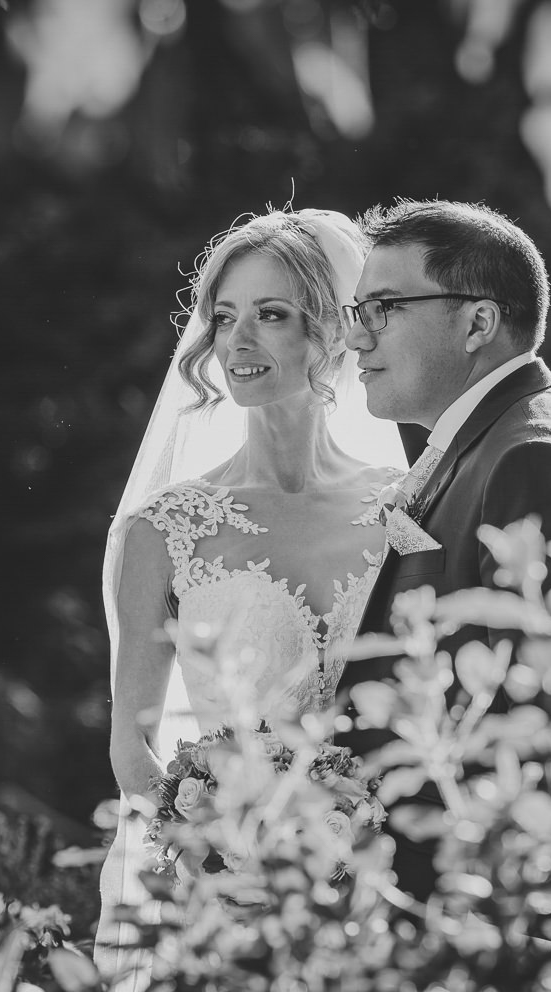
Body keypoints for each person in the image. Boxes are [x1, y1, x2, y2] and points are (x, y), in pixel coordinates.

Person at [94, 208, 407, 990]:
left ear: (331, 332)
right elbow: (132, 753)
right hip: (224, 900)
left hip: (386, 881)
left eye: (272, 315)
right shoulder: (163, 530)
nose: (238, 343)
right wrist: (220, 854)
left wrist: (353, 846)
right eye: (224, 317)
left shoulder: (406, 511)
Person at [333, 198, 551, 900]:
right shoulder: (495, 438)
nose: (358, 339)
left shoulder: (532, 457)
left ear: (479, 322)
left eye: (384, 308)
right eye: (358, 313)